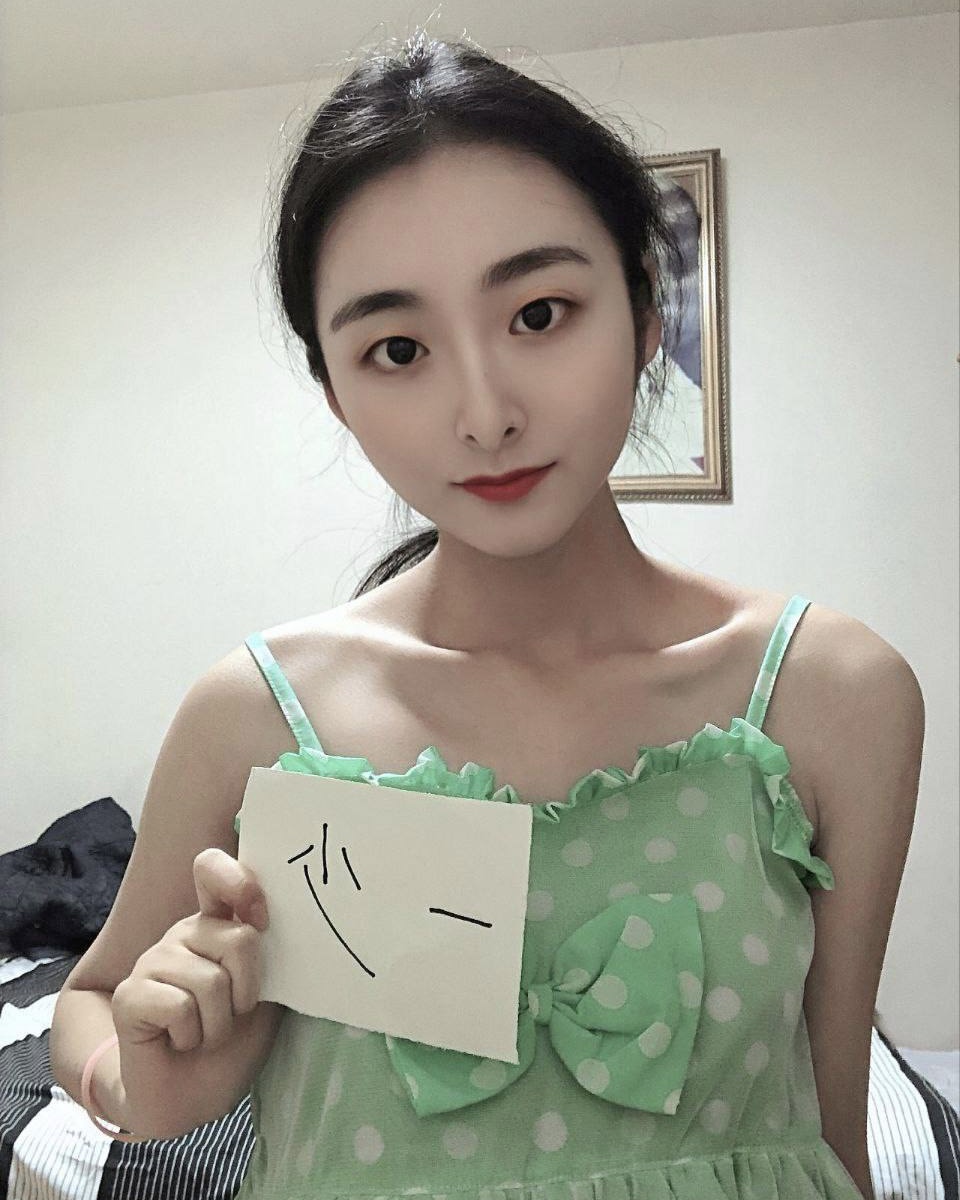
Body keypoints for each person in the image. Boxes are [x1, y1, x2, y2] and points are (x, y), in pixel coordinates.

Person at [49, 30, 925, 1200]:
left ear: (645, 311)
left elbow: (831, 1117)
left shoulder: (832, 697)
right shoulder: (257, 714)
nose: (484, 413)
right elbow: (91, 994)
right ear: (337, 394)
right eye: (398, 348)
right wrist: (133, 1081)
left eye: (541, 313)